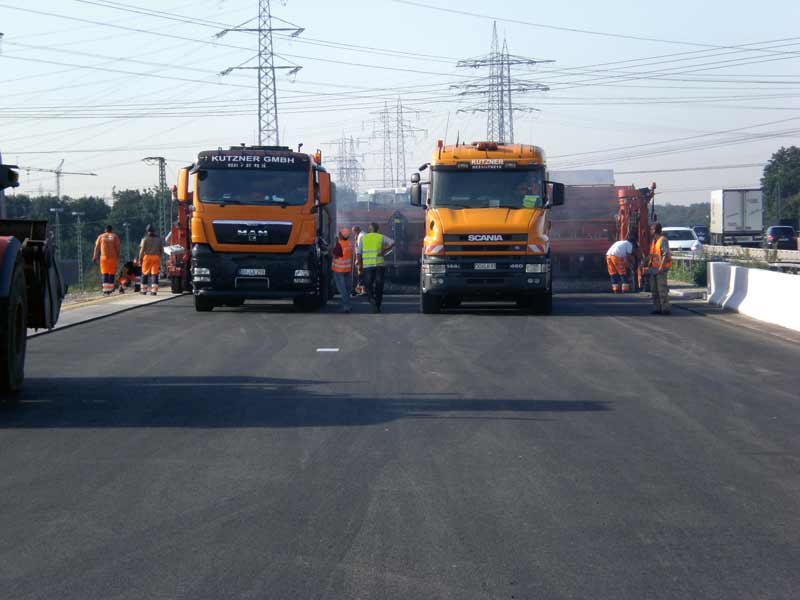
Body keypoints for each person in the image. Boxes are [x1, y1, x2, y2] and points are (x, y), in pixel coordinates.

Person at [355, 222, 394, 313]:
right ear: (377, 229)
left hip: (367, 266)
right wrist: (384, 251)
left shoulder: (363, 238)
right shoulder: (380, 237)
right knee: (379, 286)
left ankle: (371, 300)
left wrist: (359, 267)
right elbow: (392, 242)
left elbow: (359, 254)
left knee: (368, 285)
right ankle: (377, 304)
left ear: (369, 229)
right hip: (379, 265)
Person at [647, 223, 672, 315]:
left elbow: (665, 254)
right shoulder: (654, 241)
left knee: (662, 289)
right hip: (653, 268)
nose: (650, 231)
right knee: (654, 290)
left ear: (655, 230)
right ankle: (657, 308)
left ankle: (665, 309)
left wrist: (661, 267)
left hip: (661, 269)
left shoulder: (663, 240)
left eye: (651, 229)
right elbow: (653, 255)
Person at [92, 225, 121, 295]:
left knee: (104, 273)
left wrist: (94, 256)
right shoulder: (115, 236)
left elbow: (97, 247)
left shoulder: (101, 236)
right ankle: (110, 289)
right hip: (113, 258)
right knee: (111, 273)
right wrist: (118, 255)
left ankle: (105, 290)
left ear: (105, 230)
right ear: (112, 230)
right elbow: (118, 247)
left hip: (104, 257)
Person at [331, 228, 353, 313]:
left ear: (341, 235)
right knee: (347, 289)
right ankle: (348, 305)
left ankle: (346, 306)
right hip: (347, 269)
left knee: (342, 289)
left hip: (338, 270)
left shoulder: (339, 244)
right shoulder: (349, 244)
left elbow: (335, 256)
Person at [138, 224, 164, 296]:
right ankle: (154, 290)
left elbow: (142, 250)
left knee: (145, 273)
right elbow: (161, 250)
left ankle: (143, 290)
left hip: (147, 257)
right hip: (156, 257)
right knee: (155, 274)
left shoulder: (145, 239)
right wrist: (159, 257)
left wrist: (140, 258)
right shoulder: (158, 239)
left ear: (147, 231)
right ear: (154, 231)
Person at [351, 225, 365, 296]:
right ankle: (360, 290)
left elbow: (359, 250)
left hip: (361, 258)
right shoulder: (362, 234)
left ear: (356, 231)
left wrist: (357, 260)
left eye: (353, 232)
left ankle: (361, 290)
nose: (353, 234)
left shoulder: (360, 236)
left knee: (360, 274)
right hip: (363, 257)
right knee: (361, 274)